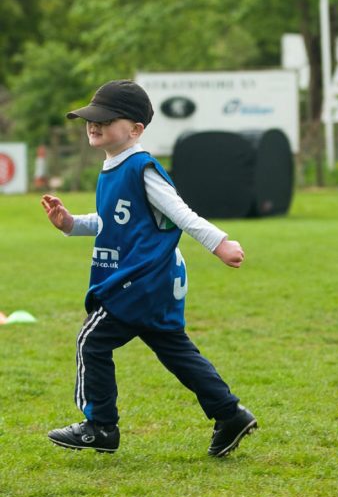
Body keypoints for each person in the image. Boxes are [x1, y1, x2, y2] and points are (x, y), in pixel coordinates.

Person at [41, 79, 257, 457]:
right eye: (90, 119)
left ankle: (101, 425)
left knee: (92, 341)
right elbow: (114, 220)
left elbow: (179, 213)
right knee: (174, 350)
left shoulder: (142, 168)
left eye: (105, 119)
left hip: (137, 280)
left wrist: (219, 243)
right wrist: (71, 223)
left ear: (136, 129)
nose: (94, 125)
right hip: (154, 282)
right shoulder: (114, 166)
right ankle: (230, 414)